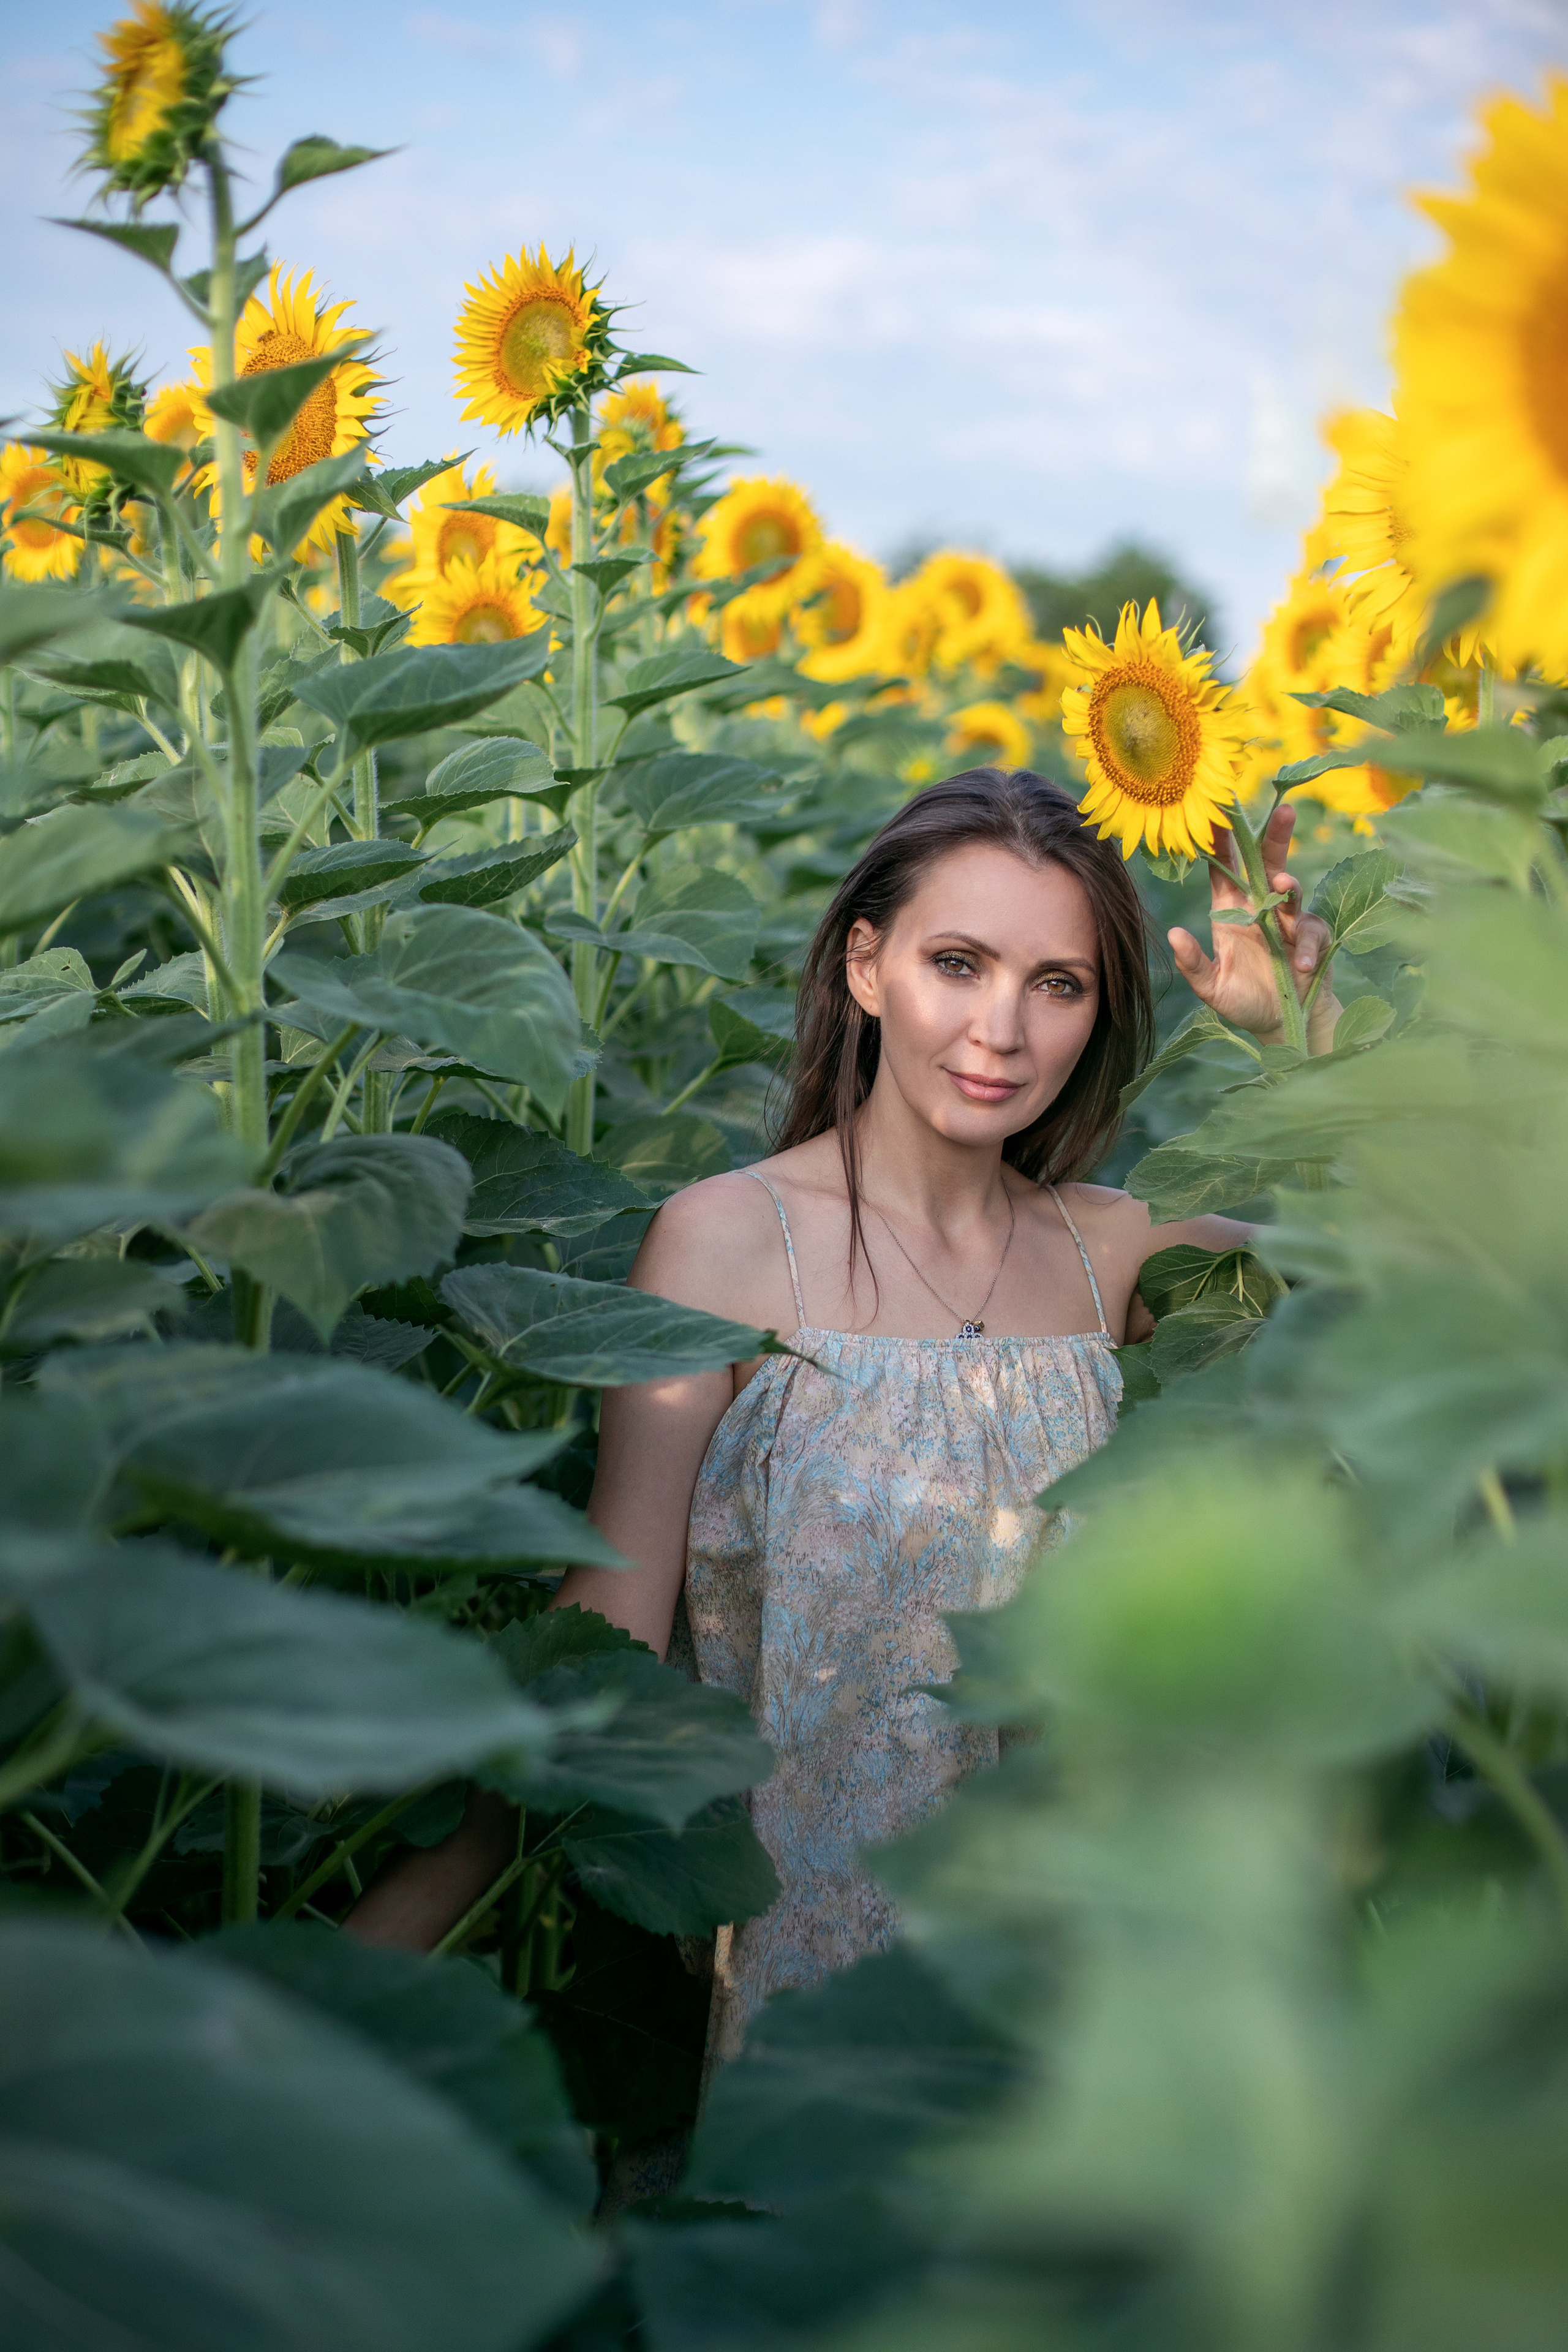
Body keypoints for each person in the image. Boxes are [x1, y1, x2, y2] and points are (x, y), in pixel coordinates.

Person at [348, 767, 1337, 2054]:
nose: (1001, 1030)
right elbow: (606, 1653)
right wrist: (335, 1987)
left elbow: (1415, 1290)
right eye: (958, 963)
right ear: (865, 966)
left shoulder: (1117, 1255)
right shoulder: (723, 1246)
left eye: (1057, 984)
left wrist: (1298, 1038)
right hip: (810, 1992)